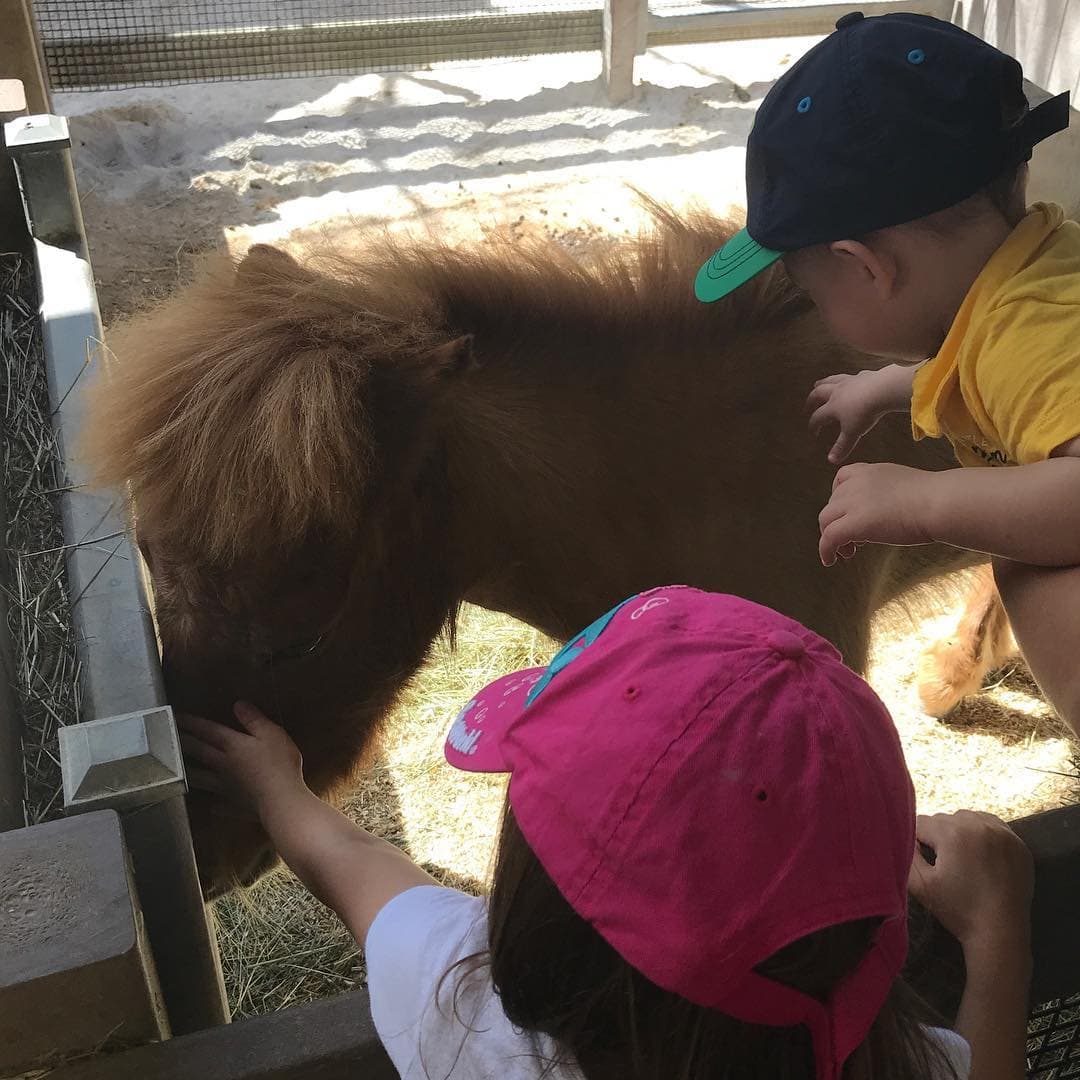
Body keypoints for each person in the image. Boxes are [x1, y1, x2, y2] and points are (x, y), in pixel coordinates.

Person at [179, 585, 1033, 1080]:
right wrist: (997, 938)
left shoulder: (464, 1012)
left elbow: (348, 859)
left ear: (528, 895)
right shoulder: (900, 1064)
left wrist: (275, 787)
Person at [693, 10, 1080, 733]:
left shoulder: (1029, 335)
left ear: (864, 267)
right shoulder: (1039, 271)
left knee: (1029, 567)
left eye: (814, 293)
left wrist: (923, 501)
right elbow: (991, 376)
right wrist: (887, 387)